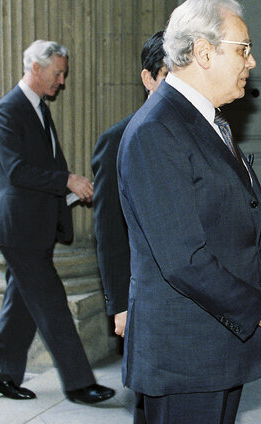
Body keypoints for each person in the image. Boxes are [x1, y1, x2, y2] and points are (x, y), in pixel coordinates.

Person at [117, 0, 261, 424]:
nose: (251, 62)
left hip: (215, 346)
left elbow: (240, 219)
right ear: (203, 52)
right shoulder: (157, 131)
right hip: (185, 358)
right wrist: (260, 307)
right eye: (243, 49)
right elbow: (184, 260)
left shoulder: (205, 120)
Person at [0, 40, 115, 404]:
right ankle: (78, 384)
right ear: (35, 68)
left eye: (63, 74)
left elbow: (45, 166)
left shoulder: (39, 109)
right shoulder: (6, 111)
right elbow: (14, 172)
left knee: (21, 303)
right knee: (53, 303)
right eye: (57, 73)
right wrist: (66, 181)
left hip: (35, 225)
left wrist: (74, 191)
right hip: (18, 229)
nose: (61, 81)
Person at [91, 31, 167, 423]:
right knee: (149, 401)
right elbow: (109, 231)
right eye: (167, 76)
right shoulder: (117, 140)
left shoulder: (207, 132)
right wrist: (119, 304)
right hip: (144, 297)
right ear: (148, 79)